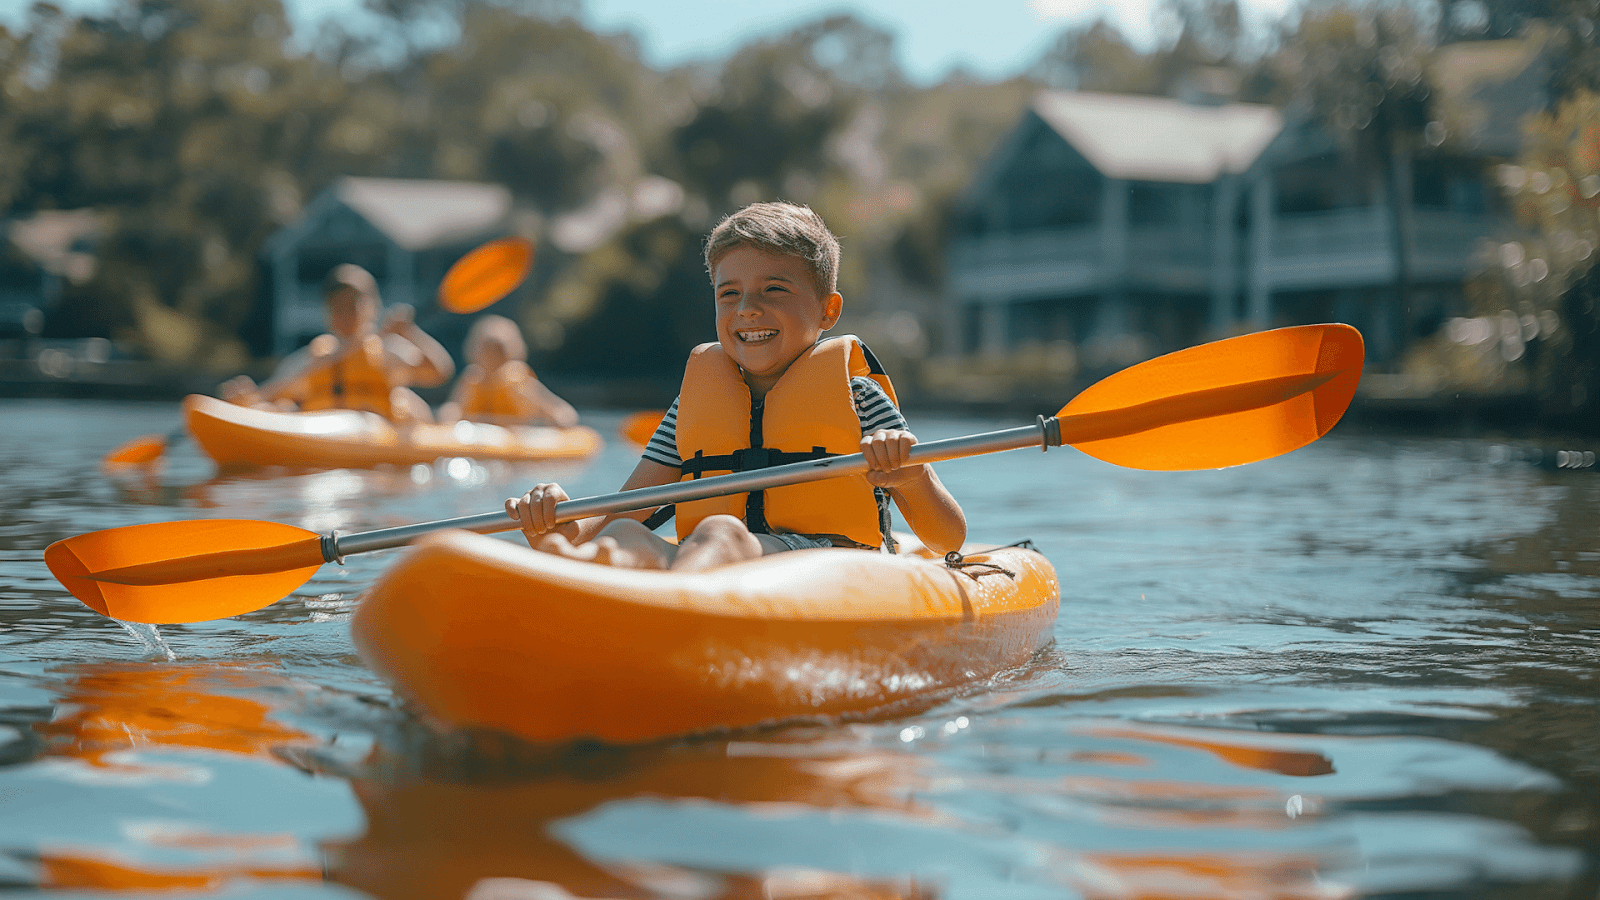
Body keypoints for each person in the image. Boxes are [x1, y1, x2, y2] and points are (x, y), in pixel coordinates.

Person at [505, 201, 965, 571]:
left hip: (829, 567)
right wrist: (556, 525)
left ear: (828, 311)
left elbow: (948, 537)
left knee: (721, 532)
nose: (747, 308)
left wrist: (910, 474)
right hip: (717, 560)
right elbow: (621, 516)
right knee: (629, 538)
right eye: (730, 294)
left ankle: (670, 612)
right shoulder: (690, 408)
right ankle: (575, 585)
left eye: (774, 290)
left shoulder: (861, 399)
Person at [222, 264, 455, 423]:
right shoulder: (316, 355)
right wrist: (248, 399)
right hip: (322, 432)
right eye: (338, 307)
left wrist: (410, 332)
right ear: (328, 312)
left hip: (374, 433)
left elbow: (440, 372)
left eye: (353, 305)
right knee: (275, 408)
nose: (346, 313)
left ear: (371, 308)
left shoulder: (387, 349)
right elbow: (279, 389)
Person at [437, 314, 578, 428]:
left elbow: (561, 412)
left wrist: (555, 417)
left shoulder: (518, 378)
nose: (491, 356)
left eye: (497, 350)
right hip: (477, 439)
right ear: (476, 350)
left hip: (515, 441)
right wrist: (447, 417)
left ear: (510, 351)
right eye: (487, 350)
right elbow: (452, 408)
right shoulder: (472, 378)